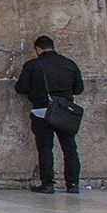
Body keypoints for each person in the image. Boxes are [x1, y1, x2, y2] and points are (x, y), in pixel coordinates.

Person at [17, 36, 85, 194]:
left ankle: (47, 184)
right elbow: (78, 89)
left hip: (41, 111)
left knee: (45, 148)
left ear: (38, 49)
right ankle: (73, 184)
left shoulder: (32, 65)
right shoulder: (69, 63)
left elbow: (21, 88)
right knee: (69, 148)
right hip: (64, 112)